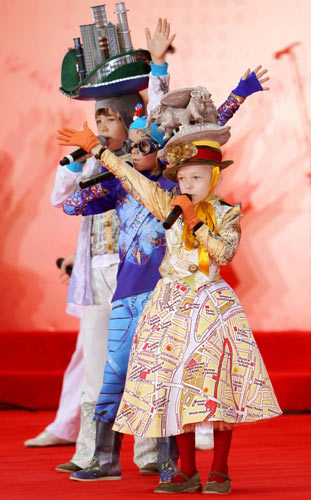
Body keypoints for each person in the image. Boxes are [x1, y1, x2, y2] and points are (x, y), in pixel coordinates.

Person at [56, 88, 282, 494]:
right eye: (185, 178)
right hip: (165, 303)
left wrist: (196, 221)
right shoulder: (164, 202)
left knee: (210, 386)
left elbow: (223, 254)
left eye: (197, 178)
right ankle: (155, 466)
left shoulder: (225, 211)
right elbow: (115, 186)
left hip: (209, 304)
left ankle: (210, 469)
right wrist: (97, 153)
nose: (189, 183)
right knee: (157, 382)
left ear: (211, 178)